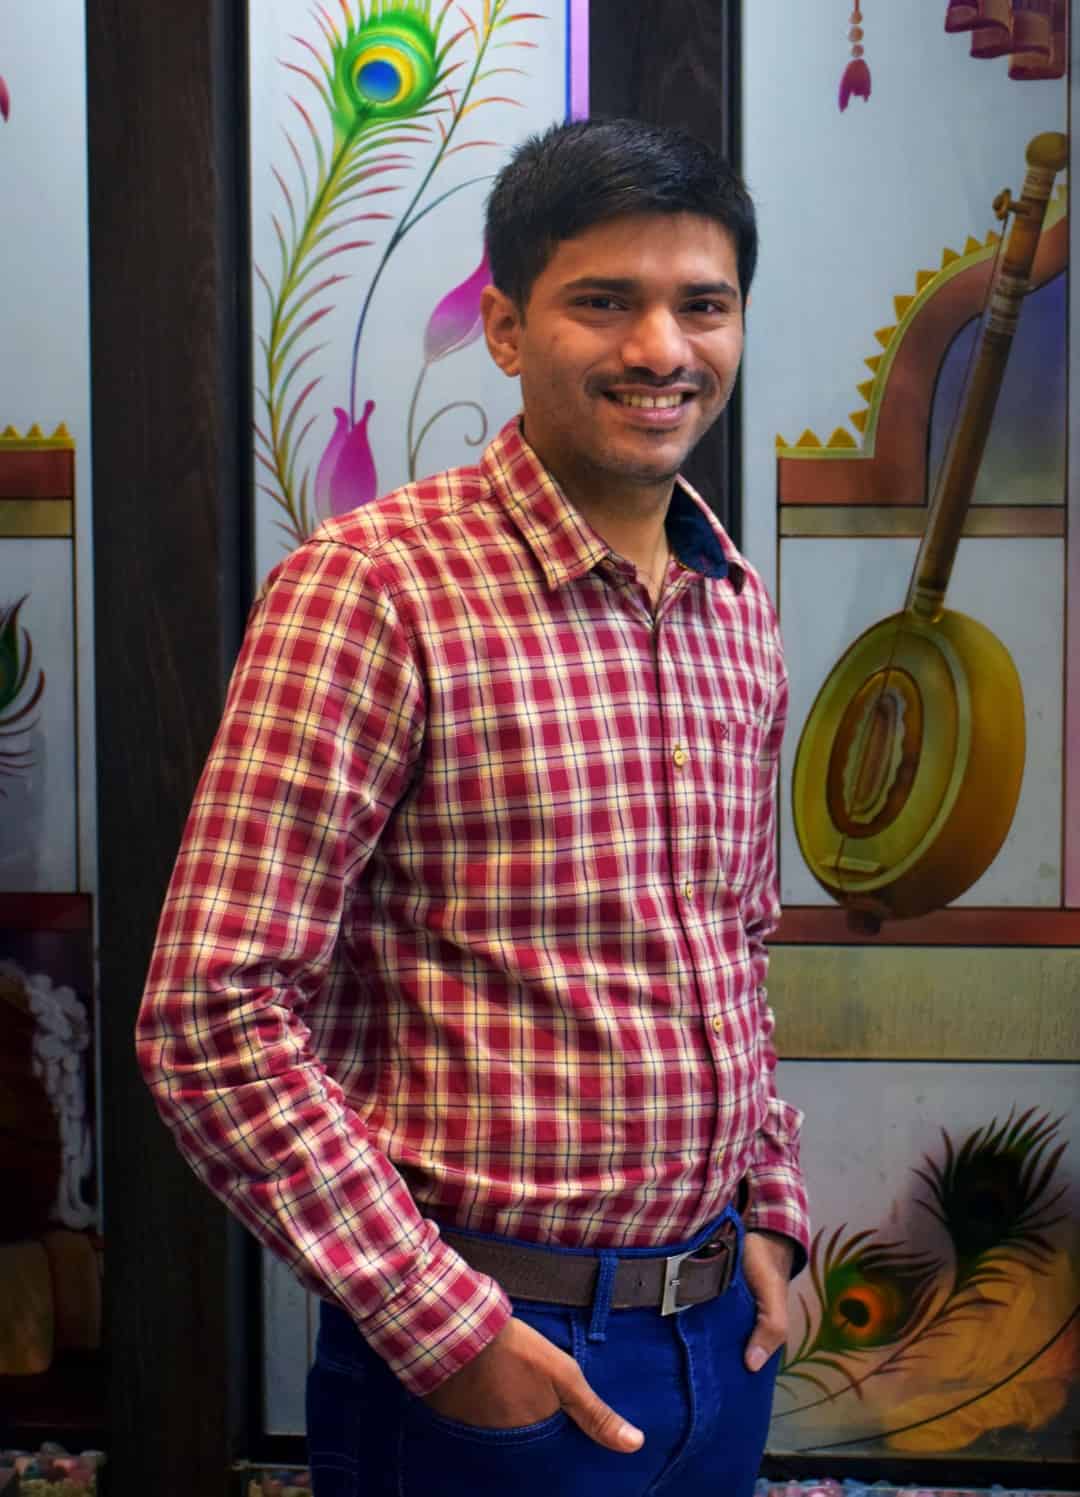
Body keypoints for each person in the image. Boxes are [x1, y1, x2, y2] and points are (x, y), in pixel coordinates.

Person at [137, 116, 809, 1497]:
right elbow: (211, 1014)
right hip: (491, 1356)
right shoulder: (375, 588)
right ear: (504, 327)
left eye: (703, 305)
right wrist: (444, 1329)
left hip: (718, 1340)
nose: (662, 350)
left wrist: (774, 1218)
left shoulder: (733, 602)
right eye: (603, 302)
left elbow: (735, 947)